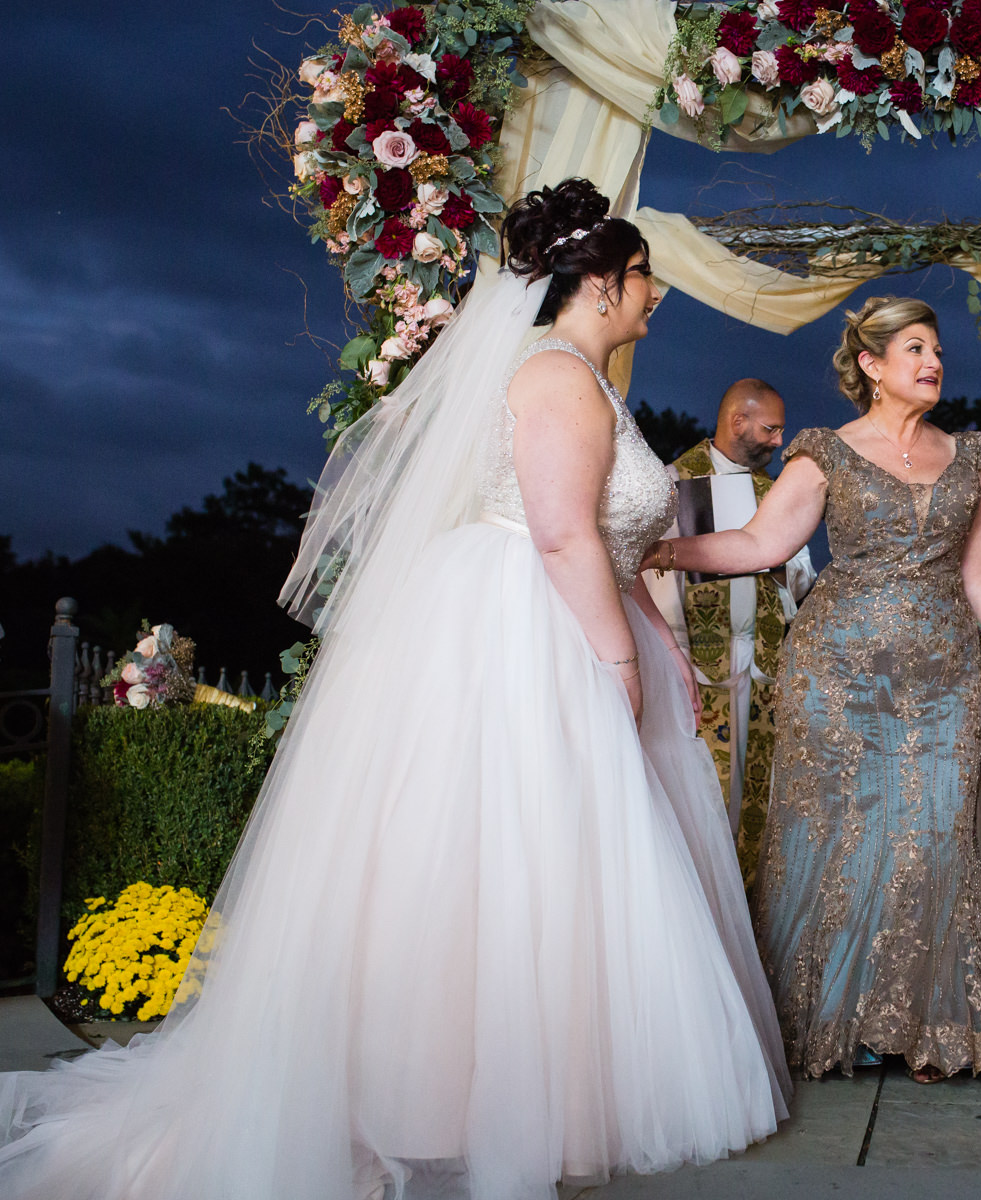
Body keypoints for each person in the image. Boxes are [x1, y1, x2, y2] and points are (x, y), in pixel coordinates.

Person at [0, 178, 790, 1197]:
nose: (654, 298)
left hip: (568, 613)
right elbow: (558, 533)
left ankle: (556, 1090)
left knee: (558, 867)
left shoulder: (593, 385)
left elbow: (615, 533)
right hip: (524, 632)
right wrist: (620, 660)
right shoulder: (553, 378)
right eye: (645, 280)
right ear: (597, 284)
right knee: (499, 861)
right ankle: (449, 1099)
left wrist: (654, 633)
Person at [642, 296, 981, 1085]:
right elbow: (760, 542)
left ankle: (928, 1023)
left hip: (945, 677)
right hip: (840, 677)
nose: (933, 363)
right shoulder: (827, 453)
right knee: (835, 843)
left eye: (938, 350)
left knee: (930, 840)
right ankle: (828, 1021)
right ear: (871, 365)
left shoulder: (969, 459)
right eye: (915, 349)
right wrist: (659, 550)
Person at [646, 379, 816, 885]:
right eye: (770, 428)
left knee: (758, 796)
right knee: (705, 792)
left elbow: (802, 573)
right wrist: (670, 650)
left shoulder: (777, 492)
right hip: (697, 662)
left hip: (765, 665)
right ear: (738, 420)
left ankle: (751, 902)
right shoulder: (674, 481)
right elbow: (654, 575)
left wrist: (778, 558)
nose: (778, 442)